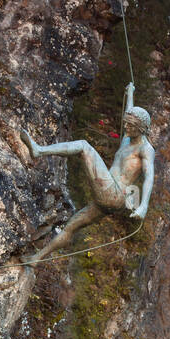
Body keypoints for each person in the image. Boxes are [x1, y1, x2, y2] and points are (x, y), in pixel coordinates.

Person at [20, 82, 154, 265]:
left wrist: (143, 206)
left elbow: (149, 176)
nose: (126, 128)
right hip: (106, 201)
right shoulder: (127, 138)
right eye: (126, 124)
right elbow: (131, 111)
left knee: (84, 146)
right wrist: (130, 92)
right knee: (70, 228)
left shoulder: (146, 149)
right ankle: (36, 259)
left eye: (130, 126)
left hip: (115, 195)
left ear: (141, 128)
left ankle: (39, 150)